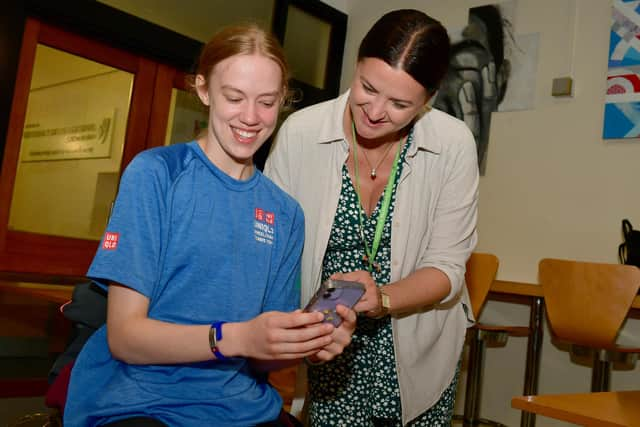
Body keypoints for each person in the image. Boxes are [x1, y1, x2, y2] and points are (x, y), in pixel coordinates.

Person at [64, 24, 359, 427]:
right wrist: (236, 337)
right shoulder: (157, 175)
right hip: (142, 402)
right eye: (234, 97)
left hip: (240, 407)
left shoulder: (285, 213)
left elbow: (260, 354)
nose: (251, 118)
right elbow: (125, 337)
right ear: (203, 90)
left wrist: (306, 342)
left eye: (267, 102)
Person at [265, 9, 479, 426]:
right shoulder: (302, 133)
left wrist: (382, 298)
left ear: (428, 100)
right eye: (367, 87)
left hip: (417, 341)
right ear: (356, 66)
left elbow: (448, 268)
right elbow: (272, 246)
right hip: (330, 339)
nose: (376, 111)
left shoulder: (452, 144)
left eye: (400, 104)